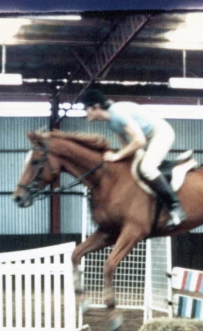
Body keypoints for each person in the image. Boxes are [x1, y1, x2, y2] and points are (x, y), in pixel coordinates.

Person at [79, 88, 187, 228]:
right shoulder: (110, 124)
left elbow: (139, 141)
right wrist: (119, 158)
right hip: (147, 138)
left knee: (147, 168)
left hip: (160, 133)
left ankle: (176, 208)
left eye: (86, 108)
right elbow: (127, 146)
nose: (85, 112)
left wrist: (117, 155)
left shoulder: (117, 113)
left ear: (96, 107)